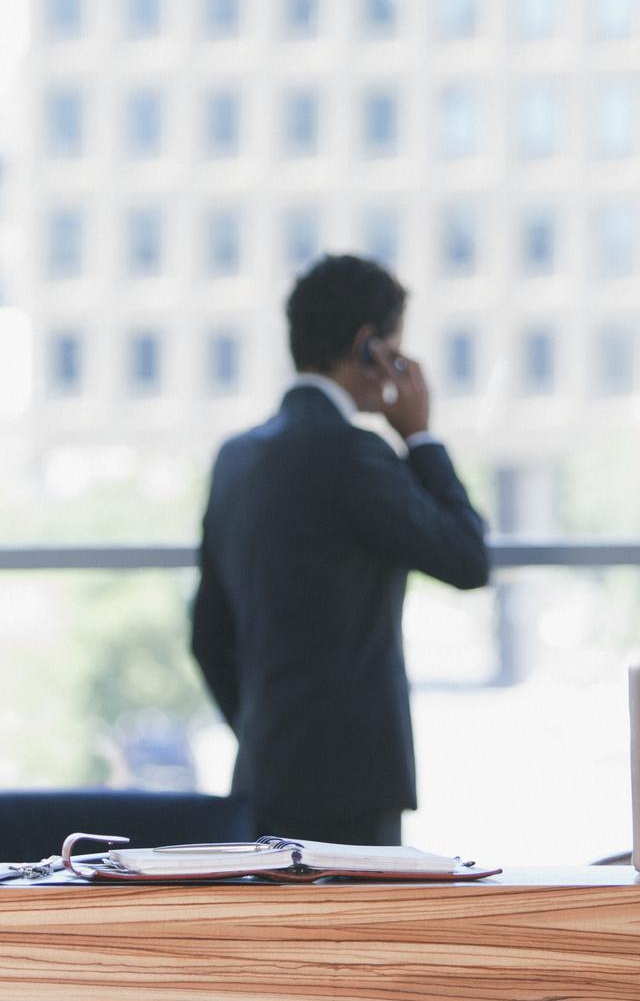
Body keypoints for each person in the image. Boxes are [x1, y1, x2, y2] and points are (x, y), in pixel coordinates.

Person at [191, 254, 490, 846]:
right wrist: (419, 435)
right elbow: (467, 558)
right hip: (352, 784)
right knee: (353, 941)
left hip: (264, 772)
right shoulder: (354, 455)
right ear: (367, 347)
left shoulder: (236, 458)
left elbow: (206, 635)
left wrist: (260, 731)